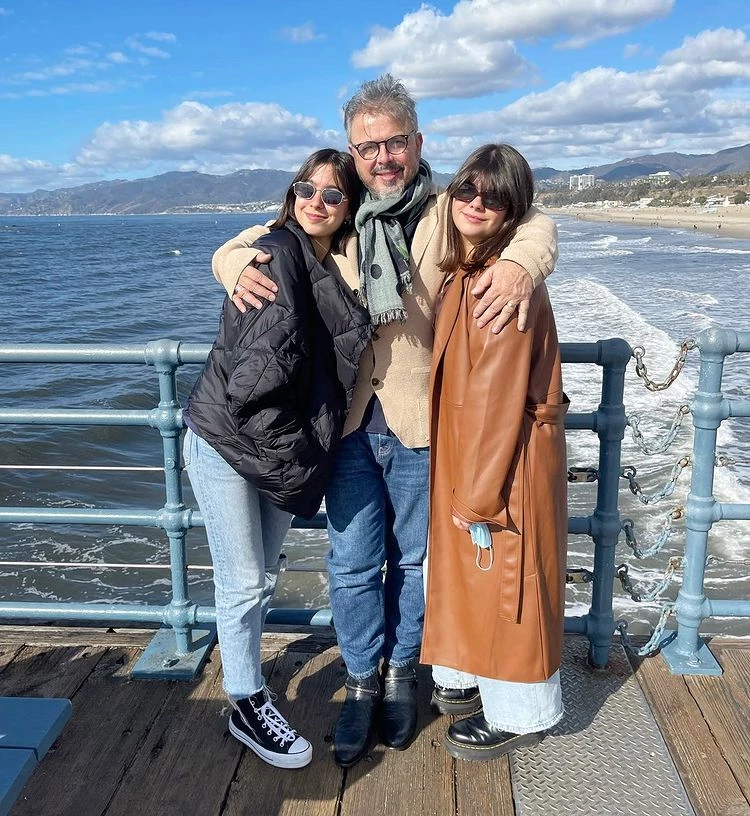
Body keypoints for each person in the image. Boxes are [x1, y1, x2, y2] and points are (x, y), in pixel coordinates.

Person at [211, 75, 559, 768]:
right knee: (351, 561)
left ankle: (405, 673)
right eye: (368, 145)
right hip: (343, 424)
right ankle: (361, 680)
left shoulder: (446, 209)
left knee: (416, 559)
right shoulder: (335, 210)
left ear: (418, 142)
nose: (383, 156)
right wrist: (228, 265)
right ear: (352, 150)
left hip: (423, 422)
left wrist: (522, 264)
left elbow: (535, 222)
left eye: (395, 141)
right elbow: (251, 238)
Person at [182, 148, 371, 769]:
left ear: (348, 208)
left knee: (259, 579)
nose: (315, 201)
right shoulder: (278, 254)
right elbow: (256, 382)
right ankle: (245, 701)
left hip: (274, 447)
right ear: (291, 195)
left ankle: (247, 682)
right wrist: (299, 461)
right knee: (241, 583)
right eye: (305, 189)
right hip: (231, 443)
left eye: (332, 194)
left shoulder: (329, 262)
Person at [421, 144, 568, 761]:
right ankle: (470, 680)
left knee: (512, 583)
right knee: (481, 581)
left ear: (516, 211)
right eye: (467, 191)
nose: (476, 204)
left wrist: (478, 497)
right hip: (474, 453)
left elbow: (498, 400)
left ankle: (520, 712)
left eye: (495, 197)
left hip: (503, 464)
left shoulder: (502, 288)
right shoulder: (470, 272)